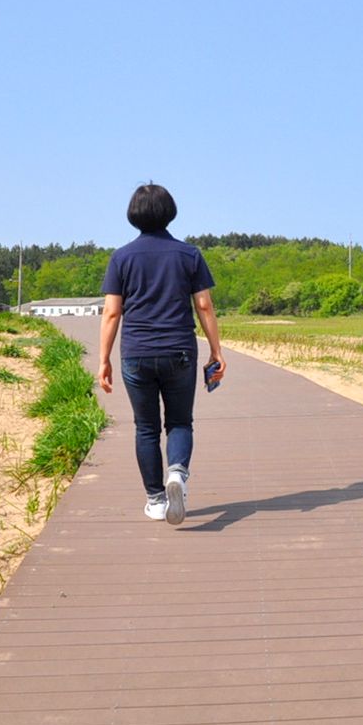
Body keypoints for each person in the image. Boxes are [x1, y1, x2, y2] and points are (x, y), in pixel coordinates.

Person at [96, 183, 226, 525]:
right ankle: (177, 473)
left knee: (146, 428)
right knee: (180, 422)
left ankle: (155, 500)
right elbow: (204, 305)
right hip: (179, 350)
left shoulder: (121, 258)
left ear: (133, 214)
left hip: (136, 353)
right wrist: (215, 350)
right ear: (170, 212)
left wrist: (104, 359)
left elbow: (111, 312)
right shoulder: (189, 254)